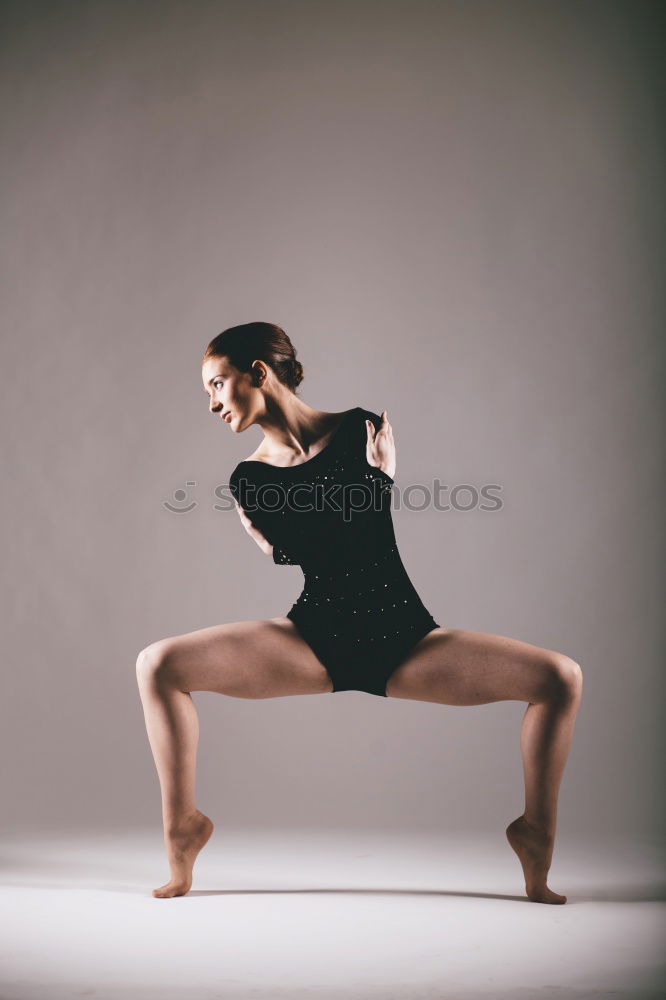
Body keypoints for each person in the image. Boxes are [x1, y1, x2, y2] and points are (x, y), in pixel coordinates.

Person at [136, 321, 583, 903]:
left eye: (217, 384)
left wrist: (373, 485)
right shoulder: (249, 477)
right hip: (314, 638)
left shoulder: (360, 427)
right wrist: (375, 485)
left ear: (259, 373)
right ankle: (182, 829)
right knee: (158, 664)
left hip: (405, 637)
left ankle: (535, 833)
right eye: (207, 392)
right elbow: (321, 552)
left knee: (559, 678)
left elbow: (359, 546)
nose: (212, 402)